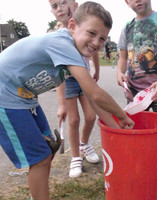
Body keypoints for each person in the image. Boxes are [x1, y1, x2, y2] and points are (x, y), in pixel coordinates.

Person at [0, 2, 135, 199]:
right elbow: (96, 94)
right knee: (40, 158)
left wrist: (119, 130)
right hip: (1, 94)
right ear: (72, 26)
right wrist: (123, 116)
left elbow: (93, 100)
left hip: (25, 97)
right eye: (91, 33)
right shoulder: (62, 43)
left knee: (48, 149)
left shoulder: (76, 52)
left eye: (102, 38)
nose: (96, 42)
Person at [116, 0, 157, 199]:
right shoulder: (127, 27)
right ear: (127, 2)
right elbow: (122, 58)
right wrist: (119, 74)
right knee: (136, 135)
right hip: (135, 93)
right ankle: (140, 173)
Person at [49, 0, 102, 178]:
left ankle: (84, 143)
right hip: (67, 80)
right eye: (55, 6)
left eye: (64, 3)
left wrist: (97, 70)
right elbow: (58, 72)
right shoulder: (57, 37)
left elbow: (94, 48)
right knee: (73, 120)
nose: (60, 8)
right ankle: (75, 157)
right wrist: (61, 103)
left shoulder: (85, 27)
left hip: (84, 77)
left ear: (75, 4)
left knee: (90, 116)